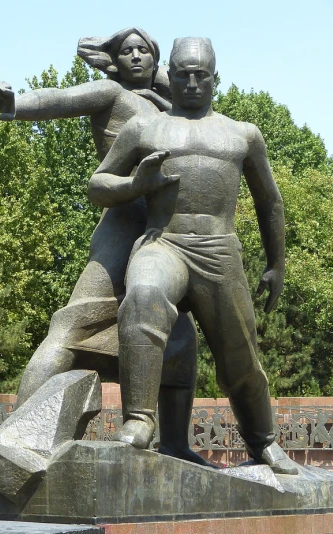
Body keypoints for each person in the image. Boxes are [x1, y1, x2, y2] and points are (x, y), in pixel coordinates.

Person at [0, 27, 207, 466]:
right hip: (121, 226)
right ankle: (16, 433)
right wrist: (16, 105)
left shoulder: (171, 108)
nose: (133, 58)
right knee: (73, 327)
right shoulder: (111, 93)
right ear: (113, 60)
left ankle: (176, 444)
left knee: (179, 340)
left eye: (142, 51)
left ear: (156, 59)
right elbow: (62, 98)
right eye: (125, 51)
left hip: (166, 235)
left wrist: (164, 79)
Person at [88, 36, 297, 474]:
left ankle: (263, 441)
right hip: (163, 240)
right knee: (143, 296)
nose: (191, 83)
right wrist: (135, 186)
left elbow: (270, 202)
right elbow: (98, 184)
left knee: (240, 354)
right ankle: (139, 422)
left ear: (215, 78)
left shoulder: (243, 134)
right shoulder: (144, 129)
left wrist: (276, 264)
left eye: (200, 75)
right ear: (172, 74)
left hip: (219, 250)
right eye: (182, 74)